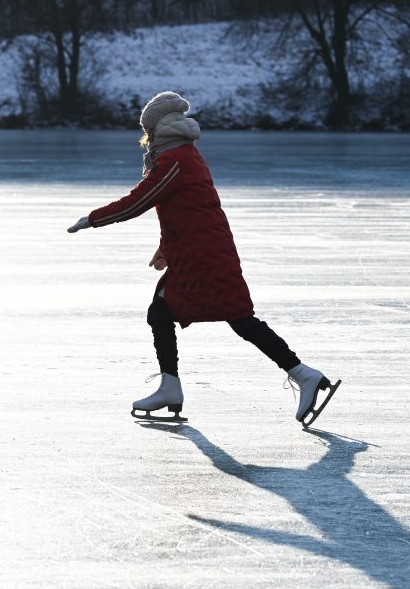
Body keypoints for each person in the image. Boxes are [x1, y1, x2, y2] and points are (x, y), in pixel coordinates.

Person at [67, 91, 339, 428]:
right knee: (172, 312)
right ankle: (173, 386)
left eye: (148, 129)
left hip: (204, 256)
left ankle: (301, 373)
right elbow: (184, 210)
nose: (145, 137)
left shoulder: (175, 160)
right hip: (200, 251)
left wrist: (92, 219)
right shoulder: (183, 155)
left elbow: (139, 201)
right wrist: (166, 248)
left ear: (159, 127)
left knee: (237, 318)